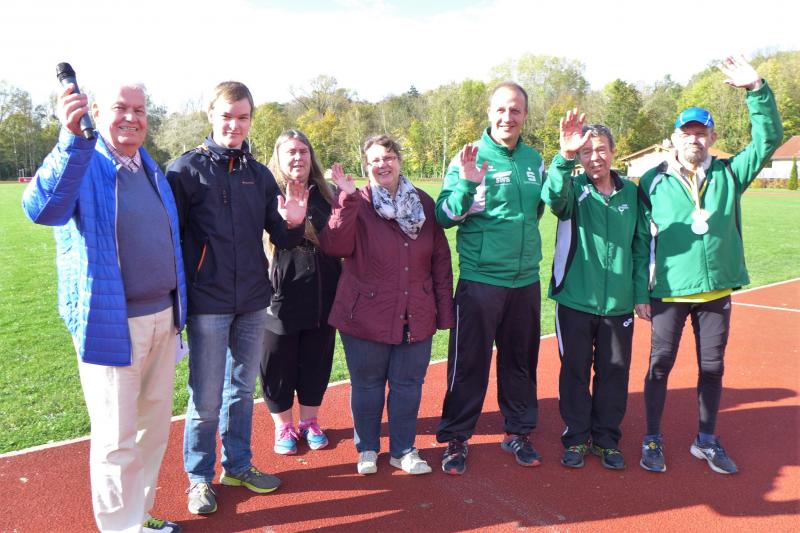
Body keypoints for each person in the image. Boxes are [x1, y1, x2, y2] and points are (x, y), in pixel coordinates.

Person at [22, 80, 186, 533]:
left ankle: (140, 516)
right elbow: (41, 208)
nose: (131, 117)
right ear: (96, 111)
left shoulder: (149, 168)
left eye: (140, 109)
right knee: (116, 438)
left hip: (163, 318)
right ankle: (121, 528)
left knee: (152, 431)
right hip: (111, 324)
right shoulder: (83, 161)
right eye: (120, 108)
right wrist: (69, 138)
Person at [637, 56, 783, 475]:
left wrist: (757, 90)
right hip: (668, 291)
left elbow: (769, 139)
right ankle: (652, 437)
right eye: (687, 134)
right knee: (659, 366)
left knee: (713, 368)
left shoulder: (730, 173)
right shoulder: (652, 181)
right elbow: (638, 241)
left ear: (712, 137)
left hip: (716, 290)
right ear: (674, 139)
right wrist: (639, 291)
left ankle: (705, 440)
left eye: (701, 133)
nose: (694, 140)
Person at [166, 81, 307, 514]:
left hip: (252, 300)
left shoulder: (258, 174)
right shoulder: (184, 170)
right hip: (207, 303)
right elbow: (171, 242)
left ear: (250, 120)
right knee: (206, 397)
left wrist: (294, 222)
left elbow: (280, 236)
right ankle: (198, 478)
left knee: (242, 391)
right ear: (211, 115)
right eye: (227, 116)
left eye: (243, 117)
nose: (234, 124)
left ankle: (239, 465)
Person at [319, 134, 454, 475]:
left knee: (408, 386)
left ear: (399, 161)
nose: (383, 164)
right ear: (366, 166)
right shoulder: (356, 202)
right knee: (367, 385)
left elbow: (440, 259)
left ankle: (404, 450)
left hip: (416, 311)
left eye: (389, 157)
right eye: (375, 160)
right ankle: (367, 448)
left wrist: (444, 312)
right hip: (365, 314)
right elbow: (335, 246)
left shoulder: (423, 203)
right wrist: (346, 201)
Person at [435, 81, 546, 475]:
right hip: (481, 280)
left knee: (521, 363)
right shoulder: (469, 156)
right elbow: (444, 215)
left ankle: (518, 431)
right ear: (489, 113)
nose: (507, 117)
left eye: (515, 110)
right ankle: (456, 438)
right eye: (501, 109)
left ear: (525, 115)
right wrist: (467, 185)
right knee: (469, 364)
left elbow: (536, 211)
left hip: (525, 280)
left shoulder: (534, 159)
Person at [542, 112, 649, 470]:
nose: (594, 158)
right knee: (575, 370)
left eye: (601, 150)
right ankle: (575, 437)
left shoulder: (632, 193)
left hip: (618, 304)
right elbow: (551, 198)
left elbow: (640, 246)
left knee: (614, 372)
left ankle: (606, 440)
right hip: (575, 299)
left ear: (613, 152)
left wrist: (640, 294)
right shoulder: (572, 188)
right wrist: (564, 156)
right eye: (586, 152)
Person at [260, 130, 341, 455]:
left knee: (316, 362)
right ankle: (283, 425)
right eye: (290, 152)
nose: (297, 158)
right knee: (277, 364)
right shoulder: (267, 194)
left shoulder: (328, 194)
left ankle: (309, 421)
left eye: (303, 151)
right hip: (279, 299)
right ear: (278, 158)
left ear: (311, 156)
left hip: (324, 296)